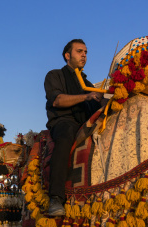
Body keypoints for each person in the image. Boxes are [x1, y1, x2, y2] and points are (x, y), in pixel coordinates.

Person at [44, 39, 104, 216]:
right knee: (66, 135)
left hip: (85, 123)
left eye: (86, 52)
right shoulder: (54, 75)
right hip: (63, 122)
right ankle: (55, 198)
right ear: (67, 55)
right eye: (79, 51)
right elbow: (57, 100)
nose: (84, 55)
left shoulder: (88, 83)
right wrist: (86, 97)